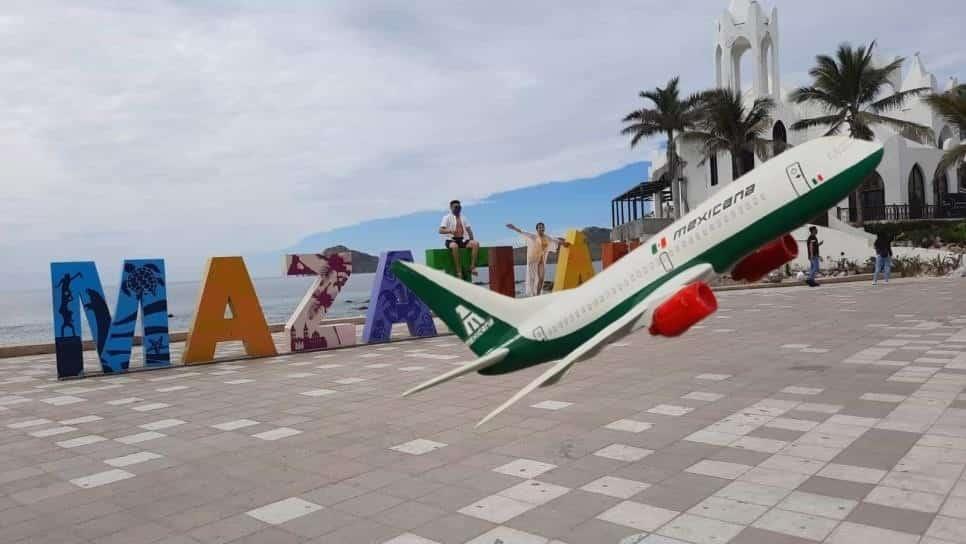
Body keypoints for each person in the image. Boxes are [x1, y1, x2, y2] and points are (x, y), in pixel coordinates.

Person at [506, 222, 570, 296]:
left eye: (542, 227)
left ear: (544, 229)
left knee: (541, 278)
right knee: (532, 278)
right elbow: (523, 232)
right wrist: (513, 228)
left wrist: (564, 244)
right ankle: (532, 294)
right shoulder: (533, 236)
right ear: (537, 229)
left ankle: (538, 294)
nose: (541, 228)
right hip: (533, 260)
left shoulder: (547, 237)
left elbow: (555, 240)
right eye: (539, 227)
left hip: (541, 260)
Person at [438, 200, 480, 278]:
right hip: (451, 240)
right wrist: (450, 230)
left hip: (462, 240)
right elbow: (440, 230)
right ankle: (459, 271)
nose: (458, 208)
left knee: (476, 243)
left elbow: (469, 230)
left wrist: (471, 240)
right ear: (451, 208)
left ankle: (472, 267)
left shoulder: (464, 217)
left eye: (459, 207)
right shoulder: (446, 217)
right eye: (456, 207)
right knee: (454, 246)